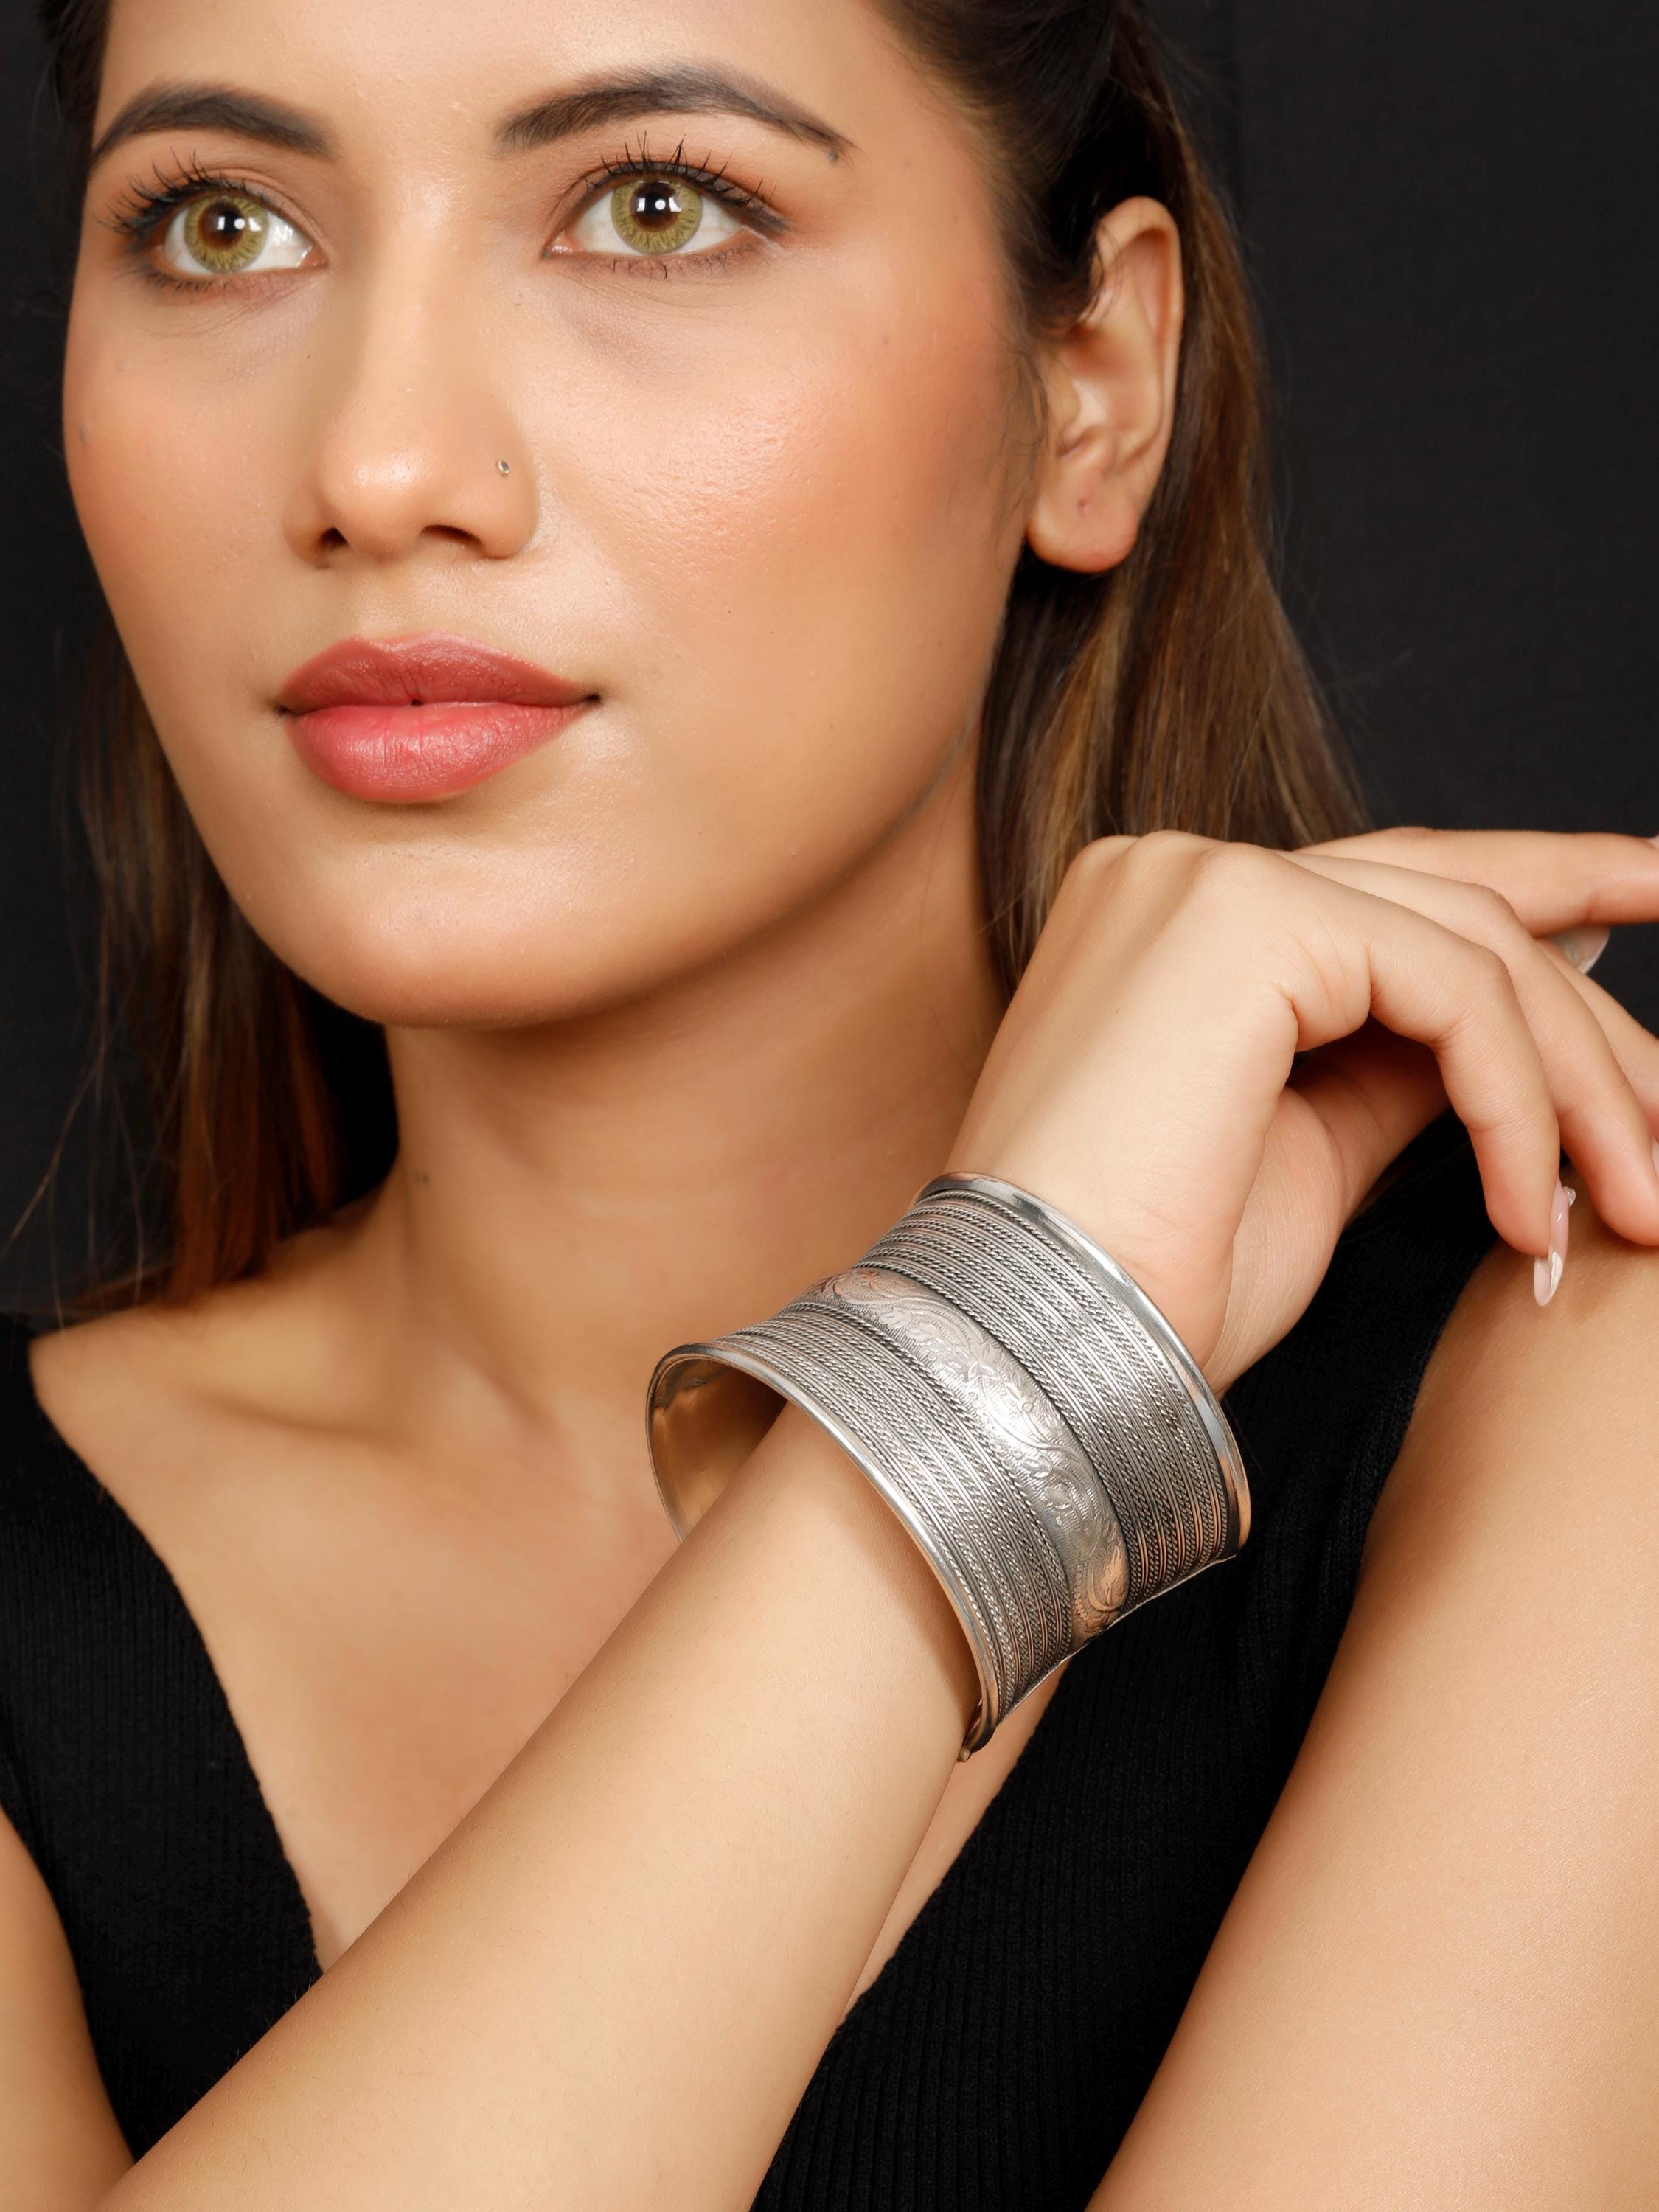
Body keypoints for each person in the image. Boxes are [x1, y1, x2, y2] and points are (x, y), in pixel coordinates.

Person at [4, 0, 1659, 2202]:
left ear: (1093, 384)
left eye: (653, 207)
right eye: (223, 224)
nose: (380, 467)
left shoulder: (1583, 1369)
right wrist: (993, 1367)